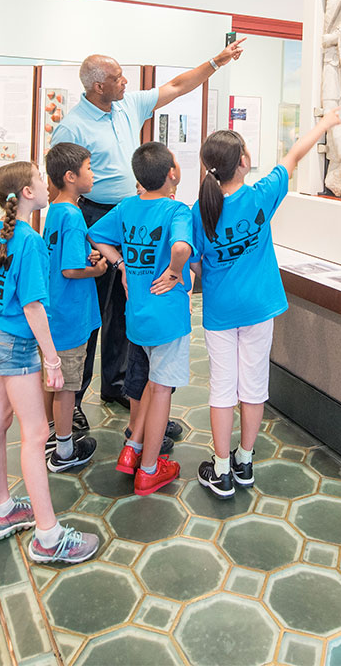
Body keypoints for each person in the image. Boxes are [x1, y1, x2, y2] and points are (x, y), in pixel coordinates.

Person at [49, 39, 245, 412]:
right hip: (94, 217)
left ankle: (118, 384)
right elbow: (59, 179)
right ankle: (72, 400)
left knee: (126, 305)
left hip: (133, 216)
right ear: (97, 87)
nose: (126, 82)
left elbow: (177, 86)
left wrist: (216, 62)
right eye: (117, 77)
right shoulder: (72, 126)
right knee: (92, 310)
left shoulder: (126, 105)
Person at [193, 109, 341, 498]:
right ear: (243, 163)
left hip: (220, 313)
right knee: (254, 386)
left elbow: (194, 264)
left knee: (222, 389)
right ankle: (245, 461)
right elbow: (293, 158)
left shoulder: (200, 211)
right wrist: (325, 125)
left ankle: (221, 469)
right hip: (259, 309)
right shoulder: (260, 196)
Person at [0, 160, 100, 564]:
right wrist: (52, 358)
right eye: (38, 181)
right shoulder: (26, 239)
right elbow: (32, 306)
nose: (46, 185)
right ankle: (48, 535)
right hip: (15, 344)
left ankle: (2, 509)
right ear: (27, 194)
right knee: (34, 435)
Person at [88, 142, 195, 495]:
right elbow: (181, 248)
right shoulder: (177, 210)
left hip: (137, 316)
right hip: (167, 318)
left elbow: (96, 235)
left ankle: (132, 449)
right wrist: (175, 271)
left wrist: (120, 264)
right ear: (171, 175)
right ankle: (150, 469)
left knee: (150, 382)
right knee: (162, 389)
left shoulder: (126, 207)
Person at [40, 142, 107, 471]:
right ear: (70, 176)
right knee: (68, 385)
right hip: (70, 315)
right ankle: (64, 451)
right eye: (89, 169)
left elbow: (63, 257)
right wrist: (96, 268)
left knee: (51, 380)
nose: (93, 175)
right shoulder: (74, 215)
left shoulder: (55, 209)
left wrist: (86, 257)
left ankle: (47, 434)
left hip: (55, 311)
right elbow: (69, 269)